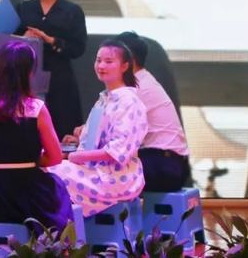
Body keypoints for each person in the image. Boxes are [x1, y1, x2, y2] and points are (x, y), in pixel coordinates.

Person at [0, 41, 72, 231]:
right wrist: (29, 159)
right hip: (30, 201)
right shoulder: (36, 108)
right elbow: (55, 157)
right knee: (59, 190)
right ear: (29, 73)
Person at [50, 40, 148, 217]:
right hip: (96, 170)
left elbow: (117, 151)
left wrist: (77, 156)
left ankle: (60, 229)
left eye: (109, 61)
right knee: (46, 170)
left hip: (115, 178)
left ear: (125, 66)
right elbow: (91, 141)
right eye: (98, 60)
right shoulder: (104, 99)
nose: (101, 66)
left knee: (51, 173)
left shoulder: (129, 102)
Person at [16, 0, 87, 139]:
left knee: (61, 129)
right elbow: (6, 41)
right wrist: (24, 39)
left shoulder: (72, 11)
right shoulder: (24, 8)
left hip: (60, 78)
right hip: (28, 77)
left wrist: (51, 41)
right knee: (28, 131)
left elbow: (79, 48)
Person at [115, 31, 191, 192]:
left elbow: (117, 133)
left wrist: (85, 139)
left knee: (102, 172)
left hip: (164, 165)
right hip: (167, 162)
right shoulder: (140, 81)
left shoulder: (137, 88)